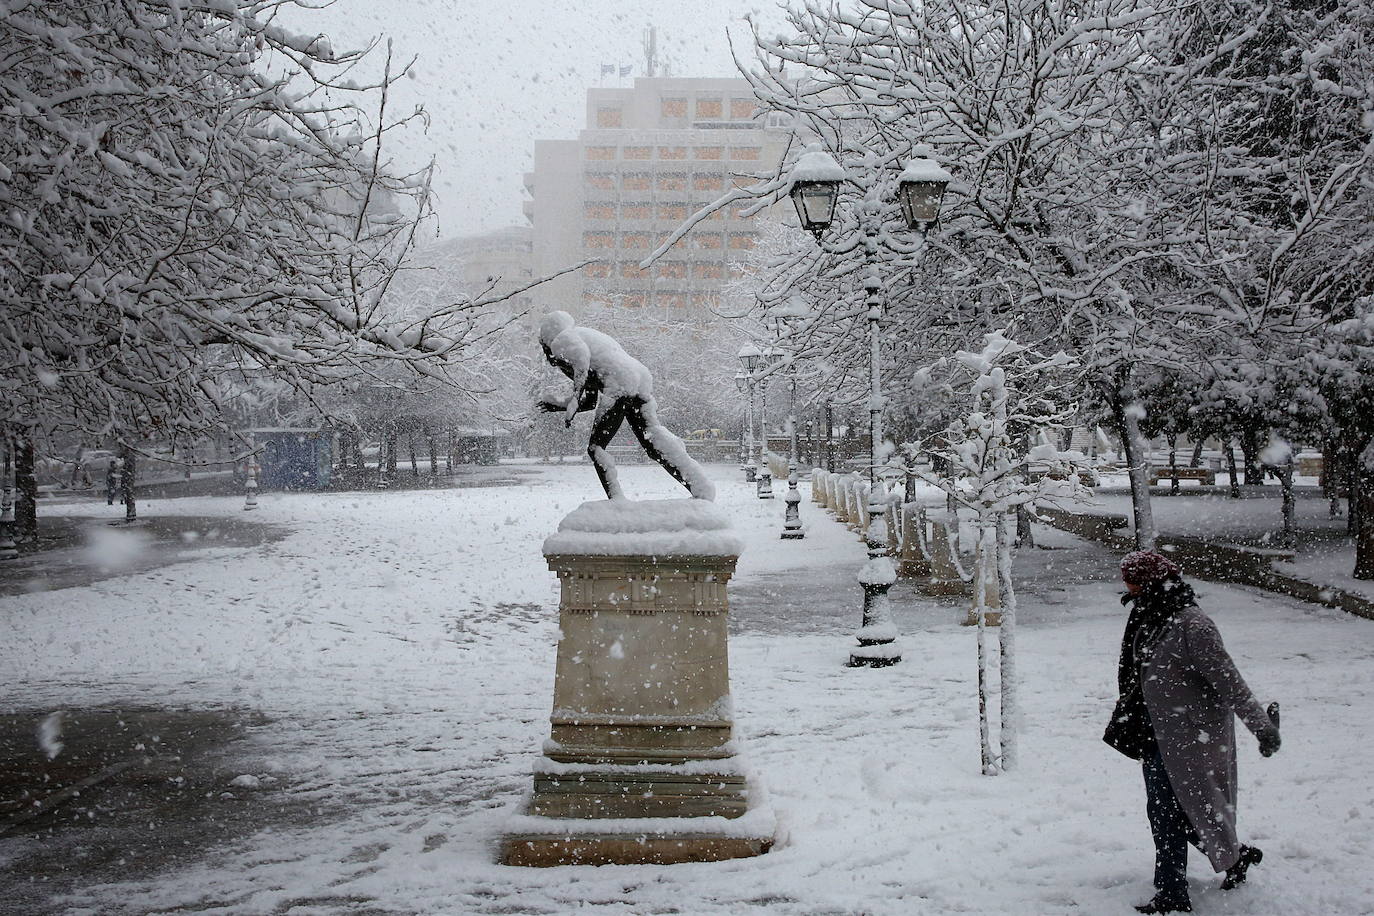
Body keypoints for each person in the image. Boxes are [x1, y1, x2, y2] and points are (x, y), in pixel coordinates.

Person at [1104, 550, 1280, 914]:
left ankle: (1173, 892)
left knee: (1176, 812)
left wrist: (1262, 728)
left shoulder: (1193, 625)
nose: (1128, 588)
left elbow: (1230, 683)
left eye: (1132, 581)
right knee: (1166, 812)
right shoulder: (1147, 614)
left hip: (1191, 738)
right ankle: (1233, 859)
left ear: (1150, 582)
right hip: (1155, 732)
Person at [535, 311, 713, 501]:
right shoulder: (584, 338)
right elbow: (591, 402)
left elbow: (582, 364)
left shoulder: (564, 339)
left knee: (596, 448)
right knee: (652, 442)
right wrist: (560, 406)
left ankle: (617, 501)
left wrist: (572, 403)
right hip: (637, 379)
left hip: (619, 385)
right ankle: (699, 485)